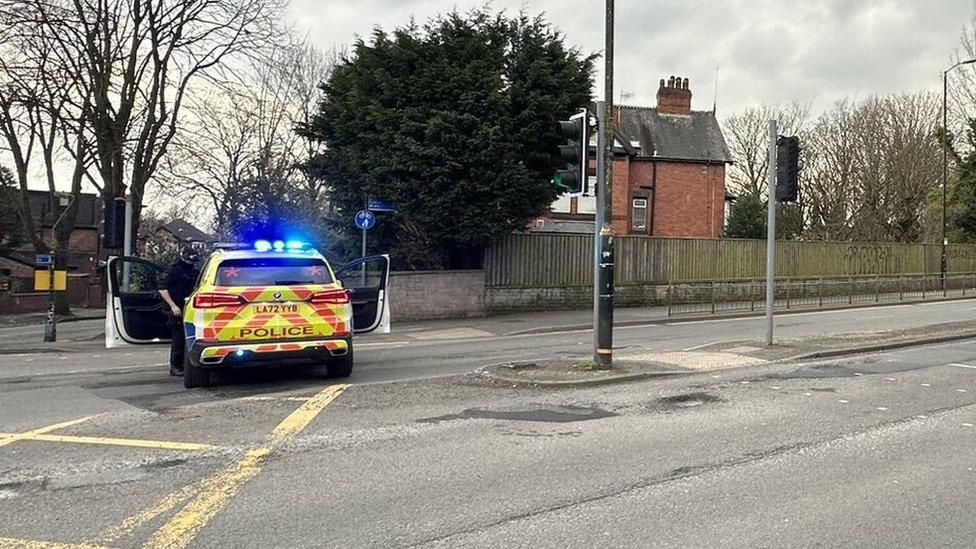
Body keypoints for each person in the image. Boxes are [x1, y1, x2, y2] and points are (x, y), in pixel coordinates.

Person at [158, 245, 201, 377]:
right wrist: (173, 306)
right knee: (179, 337)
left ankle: (184, 364)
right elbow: (162, 288)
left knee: (189, 336)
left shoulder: (193, 270)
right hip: (175, 308)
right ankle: (175, 366)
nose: (191, 263)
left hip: (189, 307)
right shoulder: (173, 270)